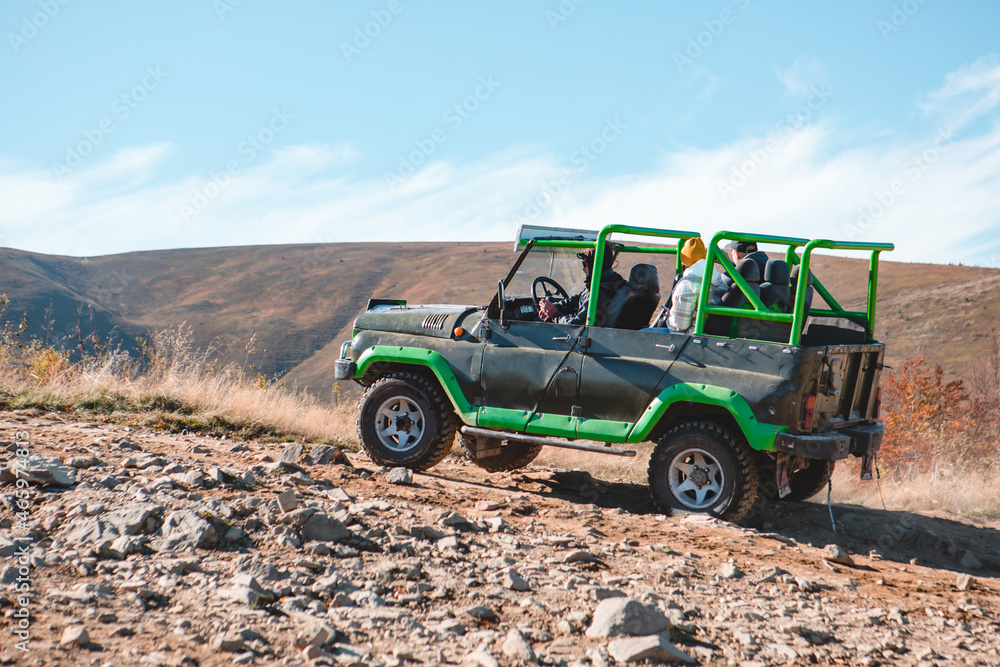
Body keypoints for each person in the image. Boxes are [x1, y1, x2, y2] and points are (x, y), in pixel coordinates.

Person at [538, 244, 627, 326]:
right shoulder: (612, 282)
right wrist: (553, 307)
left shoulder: (599, 292)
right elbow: (578, 299)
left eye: (585, 264)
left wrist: (555, 316)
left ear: (594, 264)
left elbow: (578, 327)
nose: (583, 269)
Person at [665, 237, 726, 334]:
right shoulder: (717, 279)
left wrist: (668, 318)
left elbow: (678, 325)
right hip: (710, 334)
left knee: (646, 332)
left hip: (690, 337)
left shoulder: (687, 284)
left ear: (684, 261)